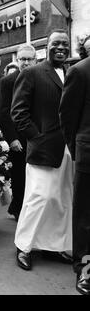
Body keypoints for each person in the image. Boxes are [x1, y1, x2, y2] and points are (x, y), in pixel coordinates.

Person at [11, 29, 74, 271]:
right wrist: (36, 137)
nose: (61, 48)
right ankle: (24, 247)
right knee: (39, 198)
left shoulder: (71, 72)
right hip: (43, 149)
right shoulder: (32, 73)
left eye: (65, 44)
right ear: (45, 47)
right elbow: (18, 112)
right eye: (56, 43)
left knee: (61, 200)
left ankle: (54, 246)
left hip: (68, 149)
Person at [59, 36, 90, 295]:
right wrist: (77, 149)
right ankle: (85, 269)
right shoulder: (80, 71)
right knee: (86, 216)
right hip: (89, 154)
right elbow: (68, 118)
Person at [0, 44, 37, 221]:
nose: (26, 62)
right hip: (18, 138)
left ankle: (28, 207)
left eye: (29, 59)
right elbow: (2, 112)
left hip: (37, 135)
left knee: (36, 176)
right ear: (17, 60)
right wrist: (11, 138)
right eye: (22, 59)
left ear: (35, 60)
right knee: (19, 176)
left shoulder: (40, 77)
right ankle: (17, 207)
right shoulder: (7, 82)